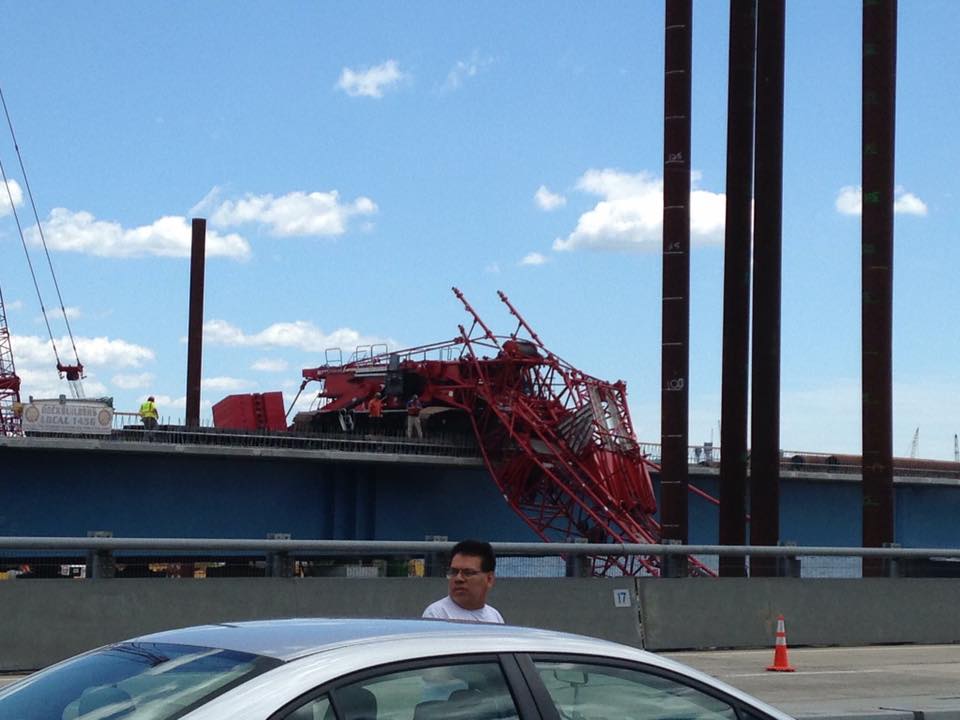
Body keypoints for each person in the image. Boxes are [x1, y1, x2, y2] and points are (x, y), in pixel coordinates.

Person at [422, 539, 504, 623]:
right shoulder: (436, 615)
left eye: (468, 573)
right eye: (454, 572)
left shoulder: (495, 617)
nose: (458, 578)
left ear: (489, 579)